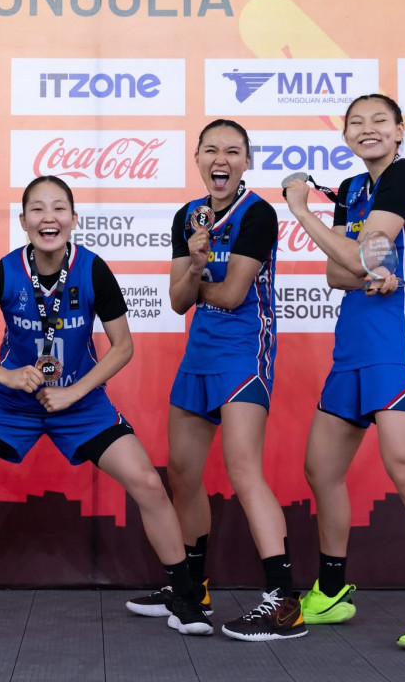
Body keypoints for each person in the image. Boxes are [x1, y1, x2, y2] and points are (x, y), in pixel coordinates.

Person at [0, 175, 213, 637]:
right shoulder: (6, 270)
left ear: (73, 218)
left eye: (58, 208)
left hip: (80, 404)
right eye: (37, 209)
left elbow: (123, 347)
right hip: (10, 405)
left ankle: (185, 599)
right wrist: (5, 375)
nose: (48, 218)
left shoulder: (92, 269)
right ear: (23, 221)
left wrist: (74, 392)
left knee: (149, 483)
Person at [284, 93, 405, 651]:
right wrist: (364, 268)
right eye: (356, 122)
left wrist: (302, 211)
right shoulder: (352, 189)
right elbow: (338, 274)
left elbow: (358, 256)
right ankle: (332, 591)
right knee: (321, 469)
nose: (368, 129)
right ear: (345, 135)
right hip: (353, 347)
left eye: (380, 121)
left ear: (399, 130)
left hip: (398, 346)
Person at [128, 119, 306, 642]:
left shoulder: (258, 213)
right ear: (198, 159)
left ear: (246, 162)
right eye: (210, 150)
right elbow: (177, 301)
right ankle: (193, 589)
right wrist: (196, 264)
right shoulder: (188, 215)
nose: (220, 159)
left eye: (232, 151)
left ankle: (285, 602)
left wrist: (196, 279)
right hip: (199, 354)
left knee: (244, 471)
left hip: (244, 350)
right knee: (182, 475)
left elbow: (230, 296)